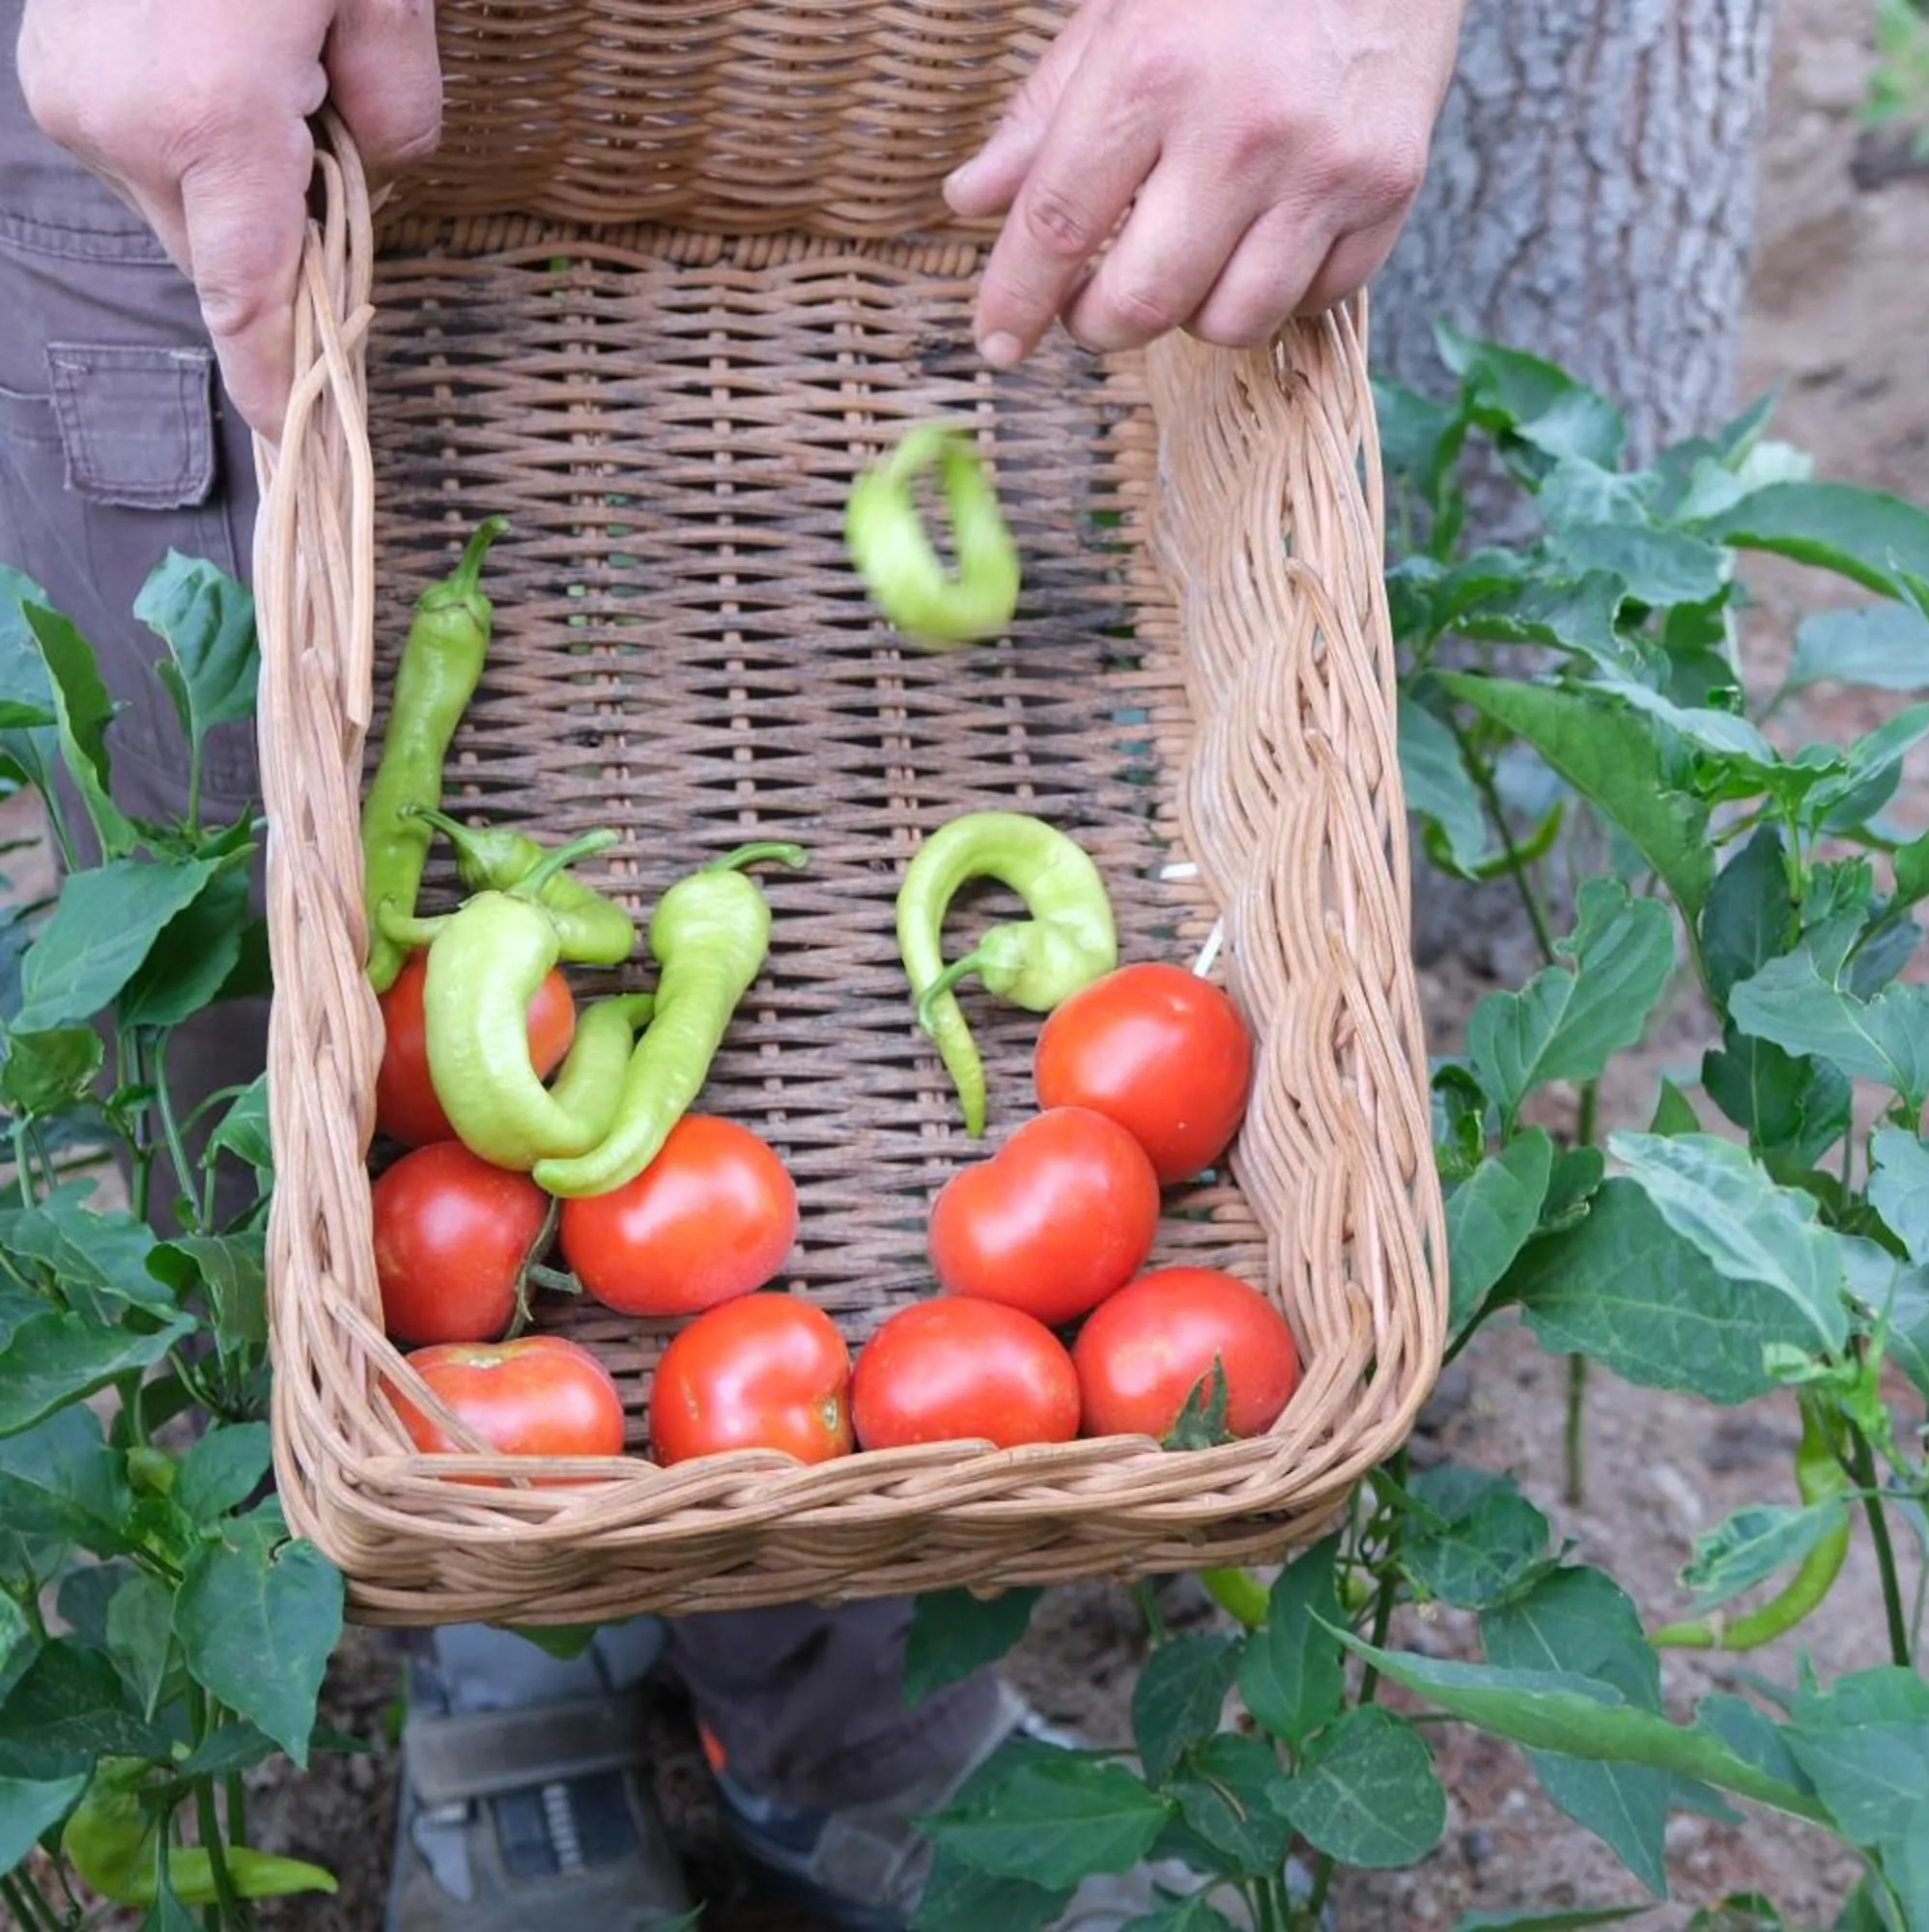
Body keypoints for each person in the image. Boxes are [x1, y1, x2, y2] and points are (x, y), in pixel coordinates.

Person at [0, 2, 1467, 1926]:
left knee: (797, 832)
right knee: (245, 882)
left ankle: (841, 1680)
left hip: (961, 96)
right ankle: (501, 1627)